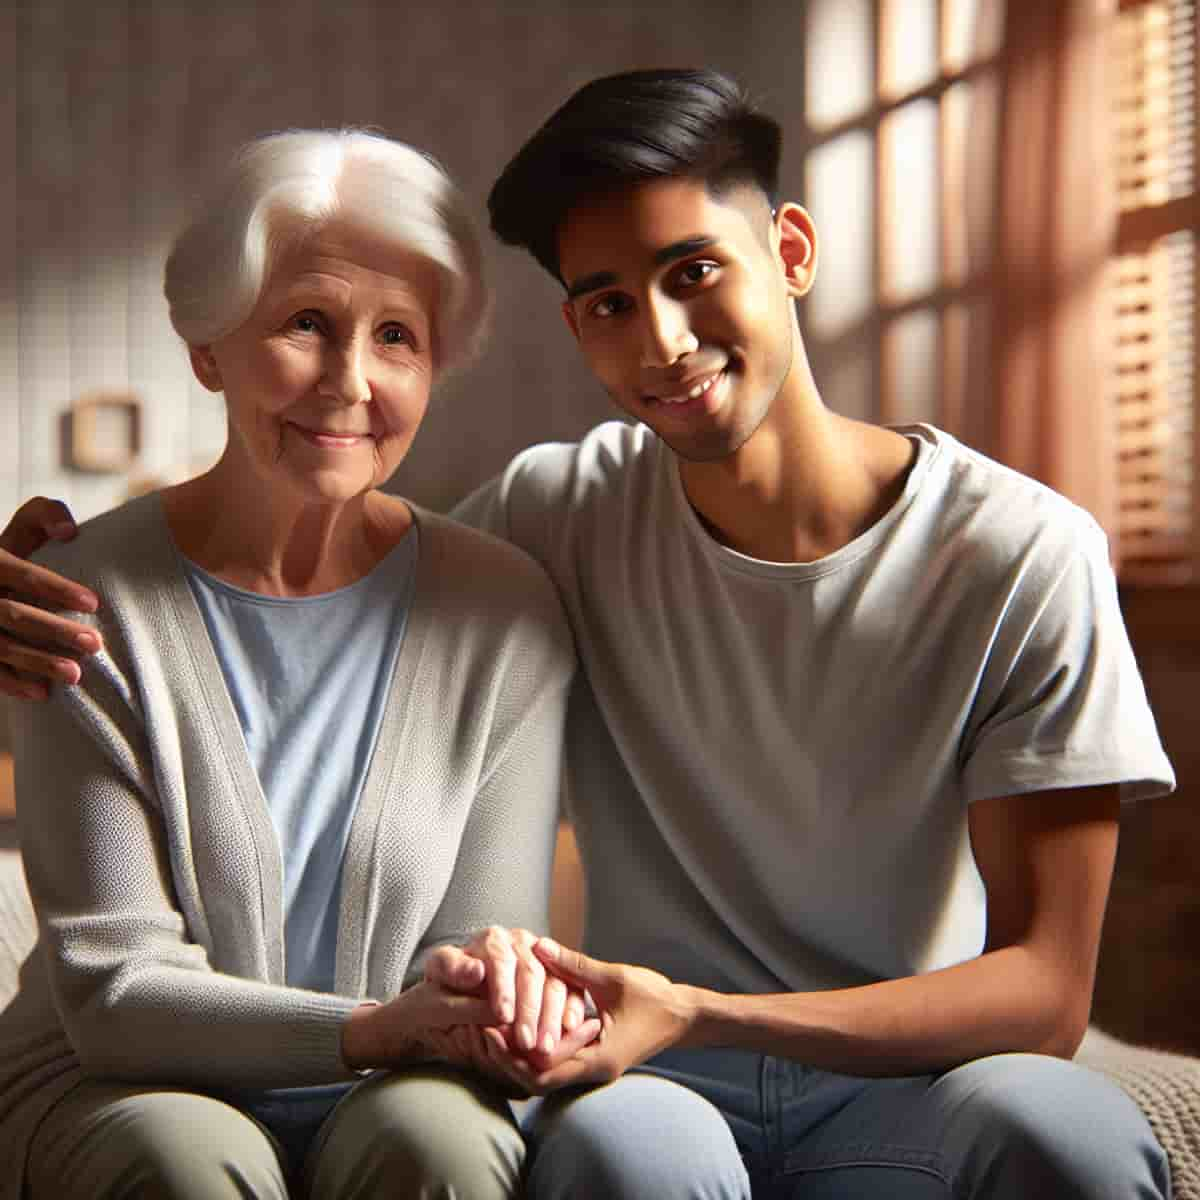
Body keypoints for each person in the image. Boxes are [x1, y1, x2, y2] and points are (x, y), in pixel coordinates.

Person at [1, 69, 1178, 1199]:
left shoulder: (1026, 553)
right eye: (611, 302)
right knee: (627, 1160)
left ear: (793, 252)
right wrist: (29, 577)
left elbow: (1047, 991)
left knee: (1073, 1131)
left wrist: (704, 1011)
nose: (663, 339)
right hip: (650, 1086)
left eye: (695, 270)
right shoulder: (553, 518)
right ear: (576, 327)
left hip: (905, 1082)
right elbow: (323, 566)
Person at [0, 127, 600, 1200]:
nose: (350, 382)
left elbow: (481, 940)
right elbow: (116, 991)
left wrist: (487, 992)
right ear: (208, 349)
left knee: (446, 1147)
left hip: (408, 1073)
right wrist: (369, 1027)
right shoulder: (72, 597)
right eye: (307, 324)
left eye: (397, 338)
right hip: (114, 1083)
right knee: (187, 1162)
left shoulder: (503, 606)